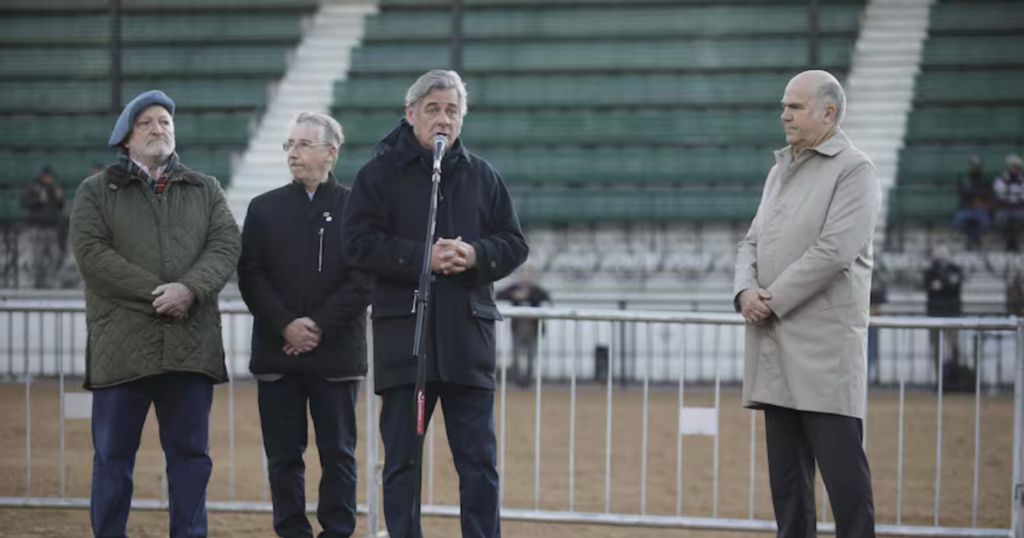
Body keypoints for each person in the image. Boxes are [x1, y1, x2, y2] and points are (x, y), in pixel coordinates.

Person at [342, 70, 529, 538]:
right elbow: (358, 245)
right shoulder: (377, 175)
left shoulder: (484, 176)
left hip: (469, 343)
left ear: (462, 119)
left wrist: (476, 255)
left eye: (451, 110)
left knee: (479, 466)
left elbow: (513, 244)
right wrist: (421, 256)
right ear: (411, 115)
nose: (442, 118)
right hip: (406, 343)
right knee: (402, 465)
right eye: (432, 109)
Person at [70, 90, 241, 538]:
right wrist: (159, 294)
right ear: (125, 138)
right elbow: (92, 255)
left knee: (190, 459)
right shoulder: (95, 191)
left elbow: (225, 246)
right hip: (122, 351)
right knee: (112, 459)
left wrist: (190, 289)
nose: (158, 128)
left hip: (189, 349)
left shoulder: (206, 188)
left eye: (164, 121)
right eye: (145, 122)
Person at [734, 70, 878, 537]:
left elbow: (834, 251)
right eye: (784, 106)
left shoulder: (855, 169)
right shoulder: (779, 170)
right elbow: (750, 243)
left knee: (846, 488)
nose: (784, 115)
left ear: (828, 113)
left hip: (823, 354)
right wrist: (743, 292)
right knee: (789, 490)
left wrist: (769, 301)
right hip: (775, 349)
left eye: (794, 107)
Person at [238, 112, 373, 538]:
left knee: (339, 454)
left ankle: (337, 531)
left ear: (330, 153)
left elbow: (363, 278)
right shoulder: (263, 209)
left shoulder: (359, 210)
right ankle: (291, 530)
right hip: (278, 354)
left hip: (336, 355)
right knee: (283, 456)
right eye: (289, 145)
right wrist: (285, 326)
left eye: (302, 145)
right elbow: (251, 276)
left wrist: (314, 326)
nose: (293, 153)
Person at [496, 266, 551, 387]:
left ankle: (528, 380)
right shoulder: (514, 288)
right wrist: (514, 295)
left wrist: (529, 295)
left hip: (533, 328)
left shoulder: (536, 290)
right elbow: (499, 295)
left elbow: (546, 298)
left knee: (531, 355)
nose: (526, 277)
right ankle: (518, 380)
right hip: (517, 327)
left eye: (529, 275)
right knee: (516, 355)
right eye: (524, 275)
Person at [20, 166, 65, 287]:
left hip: (52, 226)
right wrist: (38, 199)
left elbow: (60, 206)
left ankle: (51, 281)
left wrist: (59, 197)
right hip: (37, 226)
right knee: (37, 256)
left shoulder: (54, 189)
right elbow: (24, 202)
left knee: (53, 255)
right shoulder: (34, 188)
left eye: (49, 176)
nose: (48, 178)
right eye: (45, 176)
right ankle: (37, 281)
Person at [924, 242, 963, 375]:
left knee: (954, 346)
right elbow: (929, 288)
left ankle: (954, 374)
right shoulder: (930, 271)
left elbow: (954, 287)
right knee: (936, 348)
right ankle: (938, 377)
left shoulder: (955, 269)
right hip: (935, 314)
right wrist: (945, 285)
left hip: (952, 314)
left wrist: (942, 284)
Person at [952, 156, 991, 250]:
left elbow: (987, 194)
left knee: (985, 223)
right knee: (958, 222)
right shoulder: (965, 180)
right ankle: (972, 239)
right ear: (970, 166)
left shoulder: (985, 180)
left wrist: (977, 198)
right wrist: (974, 198)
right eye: (973, 166)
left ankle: (973, 239)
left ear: (980, 167)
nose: (975, 168)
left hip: (981, 208)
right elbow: (962, 195)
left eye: (977, 166)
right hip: (967, 208)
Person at [993, 154, 1024, 251]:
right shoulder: (1001, 178)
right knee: (1000, 220)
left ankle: (1014, 242)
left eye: (1015, 166)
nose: (1013, 168)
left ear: (1019, 167)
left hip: (1019, 208)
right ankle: (1008, 242)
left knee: (1020, 219)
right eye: (1012, 166)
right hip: (1006, 208)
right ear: (1008, 167)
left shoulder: (1022, 179)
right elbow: (999, 195)